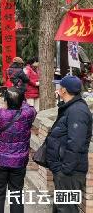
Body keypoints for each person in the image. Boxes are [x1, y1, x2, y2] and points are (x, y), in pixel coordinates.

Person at [0, 88, 37, 213]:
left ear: (6, 101)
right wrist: (18, 98)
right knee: (16, 193)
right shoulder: (28, 114)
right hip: (19, 161)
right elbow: (30, 107)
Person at [46, 76, 92, 213]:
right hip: (65, 170)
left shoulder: (77, 111)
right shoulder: (70, 107)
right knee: (62, 208)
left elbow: (75, 143)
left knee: (67, 209)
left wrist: (64, 169)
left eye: (59, 87)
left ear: (64, 90)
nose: (57, 89)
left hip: (70, 172)